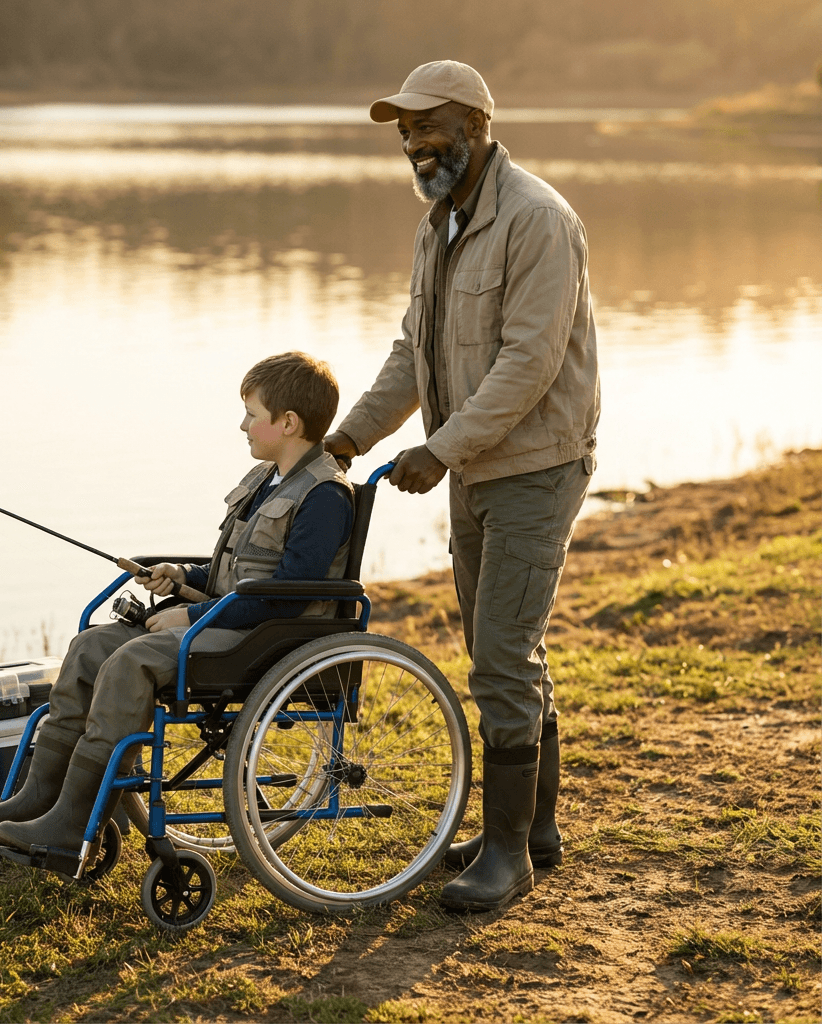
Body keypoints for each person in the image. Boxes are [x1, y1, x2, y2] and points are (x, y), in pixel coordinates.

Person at [324, 60, 600, 913]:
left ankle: (508, 856)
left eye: (429, 126)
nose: (414, 144)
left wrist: (437, 450)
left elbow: (528, 365)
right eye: (405, 132)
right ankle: (534, 833)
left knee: (501, 657)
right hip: (474, 467)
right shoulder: (437, 222)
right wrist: (347, 438)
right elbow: (414, 353)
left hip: (535, 466)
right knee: (506, 650)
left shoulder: (538, 220)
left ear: (478, 125)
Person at [0, 351, 354, 859]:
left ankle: (71, 822)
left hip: (264, 639)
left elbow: (283, 595)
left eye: (253, 415)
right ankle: (36, 800)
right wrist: (182, 578)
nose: (243, 425)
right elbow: (236, 573)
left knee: (130, 662)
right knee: (90, 647)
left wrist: (190, 615)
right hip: (226, 619)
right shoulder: (265, 479)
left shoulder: (324, 496)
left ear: (289, 423)